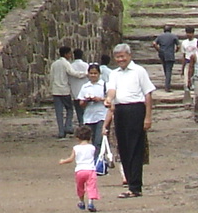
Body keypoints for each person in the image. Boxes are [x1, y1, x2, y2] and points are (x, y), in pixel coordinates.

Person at [103, 43, 156, 197]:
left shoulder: (139, 71)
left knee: (135, 147)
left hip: (136, 109)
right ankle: (129, 181)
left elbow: (148, 94)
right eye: (117, 57)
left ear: (129, 56)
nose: (121, 59)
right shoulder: (114, 74)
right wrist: (109, 99)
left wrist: (148, 117)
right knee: (123, 147)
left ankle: (135, 185)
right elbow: (112, 90)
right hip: (120, 111)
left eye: (123, 56)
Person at [61, 125, 100, 212]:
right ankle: (90, 202)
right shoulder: (92, 147)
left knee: (80, 187)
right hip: (90, 170)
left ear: (77, 137)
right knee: (91, 187)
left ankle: (81, 201)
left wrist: (63, 161)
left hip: (80, 170)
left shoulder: (76, 148)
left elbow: (71, 159)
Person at [74, 60, 108, 155]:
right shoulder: (85, 87)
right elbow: (81, 103)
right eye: (91, 73)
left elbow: (109, 100)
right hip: (89, 117)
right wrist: (86, 101)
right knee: (88, 142)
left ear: (99, 74)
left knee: (98, 140)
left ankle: (99, 162)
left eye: (95, 73)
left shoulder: (104, 85)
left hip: (102, 115)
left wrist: (99, 99)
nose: (93, 75)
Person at [47, 47, 76, 138]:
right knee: (69, 109)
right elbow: (72, 73)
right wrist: (83, 74)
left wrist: (51, 88)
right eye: (69, 54)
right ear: (66, 54)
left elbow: (51, 77)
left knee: (59, 112)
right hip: (65, 90)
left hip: (56, 90)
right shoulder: (66, 63)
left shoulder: (54, 64)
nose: (70, 55)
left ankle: (61, 131)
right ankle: (67, 126)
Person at [65, 48, 91, 132]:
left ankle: (81, 124)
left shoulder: (71, 66)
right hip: (86, 92)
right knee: (86, 110)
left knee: (79, 111)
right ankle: (87, 125)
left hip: (75, 91)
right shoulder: (86, 65)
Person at [153, 25, 180, 89]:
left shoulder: (160, 36)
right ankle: (167, 86)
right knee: (169, 70)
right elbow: (178, 46)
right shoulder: (173, 36)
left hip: (162, 54)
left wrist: (158, 49)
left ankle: (167, 82)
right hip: (170, 54)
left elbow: (154, 43)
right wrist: (175, 51)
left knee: (165, 68)